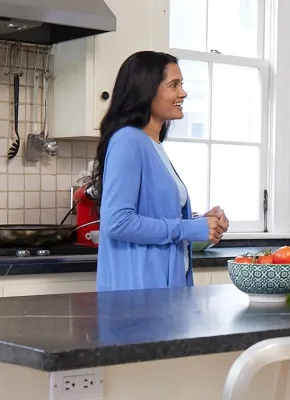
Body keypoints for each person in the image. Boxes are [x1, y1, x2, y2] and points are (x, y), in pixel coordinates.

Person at [87, 50, 228, 291]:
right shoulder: (128, 141)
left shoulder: (151, 145)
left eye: (181, 84)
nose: (183, 93)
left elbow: (154, 215)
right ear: (147, 90)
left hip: (161, 291)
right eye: (173, 85)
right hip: (138, 297)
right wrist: (188, 228)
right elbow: (118, 222)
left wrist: (202, 223)